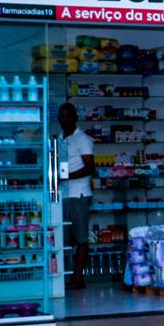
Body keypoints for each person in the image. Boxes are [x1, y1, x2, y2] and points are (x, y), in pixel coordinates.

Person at [56, 102, 95, 289]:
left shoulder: (82, 139)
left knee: (81, 238)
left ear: (75, 118)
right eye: (62, 116)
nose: (65, 119)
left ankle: (78, 278)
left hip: (79, 194)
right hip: (63, 194)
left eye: (69, 115)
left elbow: (90, 168)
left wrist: (66, 177)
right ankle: (65, 277)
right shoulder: (60, 138)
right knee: (64, 238)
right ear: (58, 119)